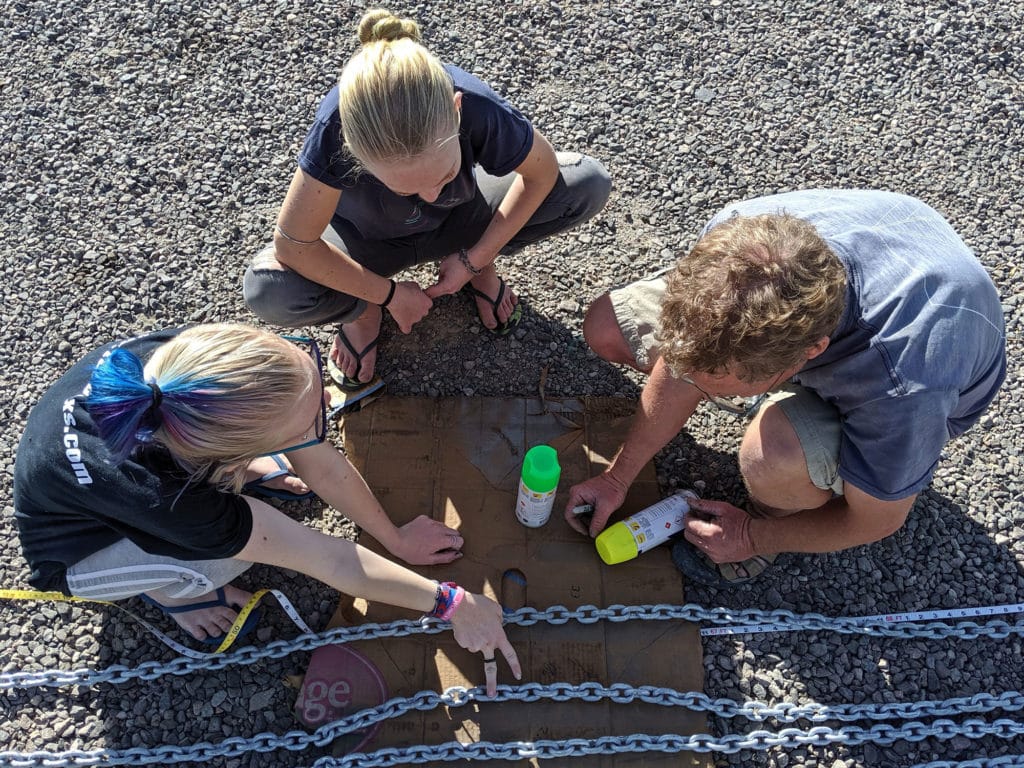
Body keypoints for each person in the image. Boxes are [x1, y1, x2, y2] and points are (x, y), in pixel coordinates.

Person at [12, 324, 519, 695]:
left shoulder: (186, 367)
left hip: (136, 480)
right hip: (78, 551)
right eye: (304, 429)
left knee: (271, 476)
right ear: (229, 453)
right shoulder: (180, 505)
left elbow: (322, 464)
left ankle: (255, 472)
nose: (321, 416)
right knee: (225, 560)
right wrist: (452, 603)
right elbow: (331, 559)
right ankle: (172, 590)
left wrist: (395, 537)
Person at [565, 189, 1006, 586]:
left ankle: (773, 507)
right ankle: (749, 394)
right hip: (856, 290)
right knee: (609, 327)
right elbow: (688, 358)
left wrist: (751, 536)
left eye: (722, 390)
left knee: (772, 456)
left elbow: (877, 520)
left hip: (909, 361)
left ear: (810, 353)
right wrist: (618, 477)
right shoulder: (738, 239)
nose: (697, 386)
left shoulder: (905, 385)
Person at [243, 9, 610, 406]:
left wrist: (476, 257)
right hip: (366, 240)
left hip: (461, 217)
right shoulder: (334, 130)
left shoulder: (477, 105)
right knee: (270, 292)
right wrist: (386, 296)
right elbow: (294, 245)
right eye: (402, 187)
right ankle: (360, 311)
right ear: (352, 151)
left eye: (443, 174)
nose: (431, 196)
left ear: (456, 110)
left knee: (586, 184)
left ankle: (480, 269)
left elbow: (543, 172)